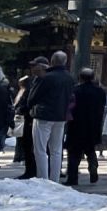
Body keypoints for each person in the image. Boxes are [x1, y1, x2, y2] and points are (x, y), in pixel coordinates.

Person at [28, 52, 74, 184]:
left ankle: (43, 179)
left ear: (52, 61)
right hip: (61, 116)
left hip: (44, 115)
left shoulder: (46, 77)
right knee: (56, 150)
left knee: (40, 149)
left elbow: (33, 98)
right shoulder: (69, 78)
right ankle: (55, 179)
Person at [65, 68, 107, 186]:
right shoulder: (100, 91)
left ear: (80, 78)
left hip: (76, 124)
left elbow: (70, 106)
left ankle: (73, 177)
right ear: (93, 78)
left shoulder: (75, 90)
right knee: (90, 149)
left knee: (74, 152)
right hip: (93, 125)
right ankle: (93, 165)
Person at [13, 58, 46, 177]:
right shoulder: (32, 80)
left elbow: (32, 99)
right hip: (28, 116)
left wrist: (25, 108)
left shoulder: (40, 81)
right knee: (28, 146)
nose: (32, 69)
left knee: (35, 146)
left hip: (34, 116)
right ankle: (30, 170)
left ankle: (34, 171)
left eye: (34, 66)